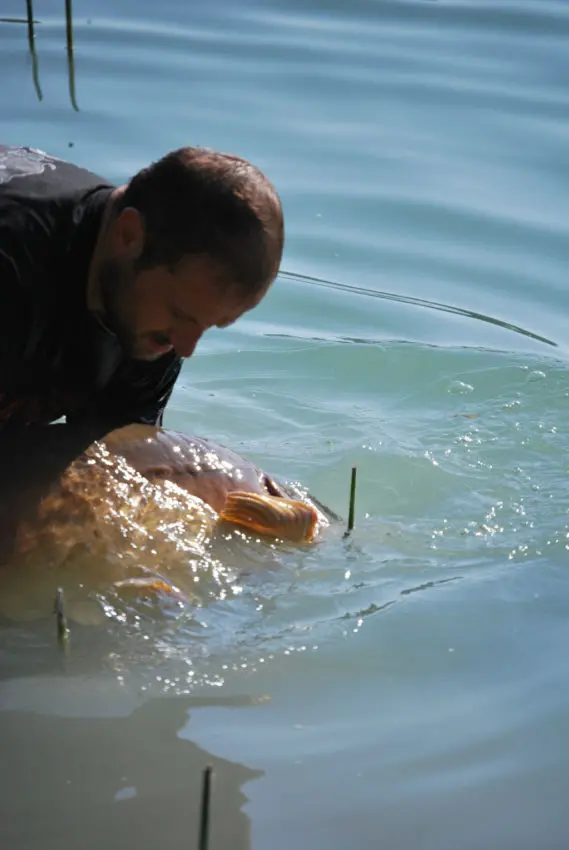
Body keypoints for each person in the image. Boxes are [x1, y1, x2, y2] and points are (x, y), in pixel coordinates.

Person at [0, 143, 284, 436]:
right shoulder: (13, 261)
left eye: (210, 325)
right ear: (129, 235)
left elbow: (121, 455)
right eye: (179, 313)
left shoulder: (152, 319)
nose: (185, 347)